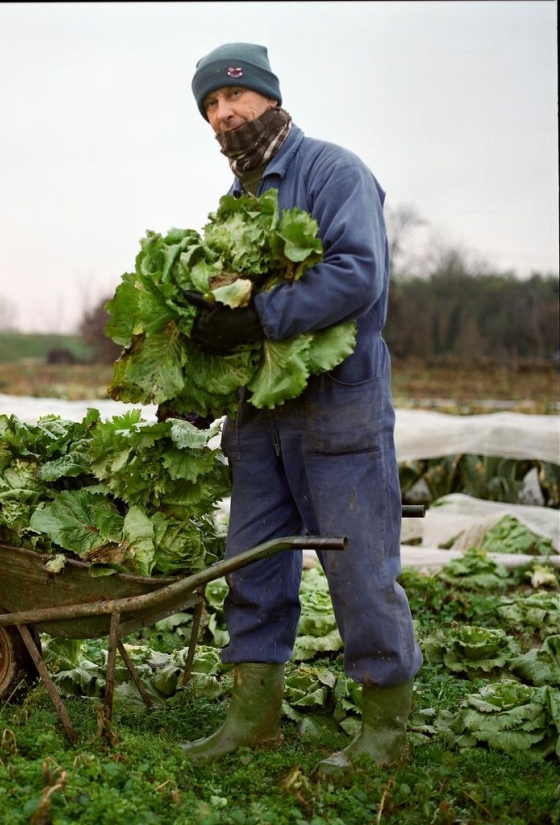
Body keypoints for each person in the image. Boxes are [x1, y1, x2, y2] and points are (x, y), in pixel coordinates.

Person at [180, 42, 423, 774]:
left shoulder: (331, 170)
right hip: (259, 420)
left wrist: (260, 315)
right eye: (209, 107)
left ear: (266, 96)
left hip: (337, 410)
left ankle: (384, 731)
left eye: (232, 97)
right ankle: (252, 716)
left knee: (358, 567)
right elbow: (225, 312)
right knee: (251, 564)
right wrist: (200, 383)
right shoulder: (234, 203)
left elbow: (357, 273)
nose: (224, 115)